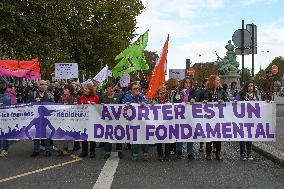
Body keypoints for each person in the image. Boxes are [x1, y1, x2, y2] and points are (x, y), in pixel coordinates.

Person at [122, 81, 150, 161]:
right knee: (135, 136)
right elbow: (122, 104)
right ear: (131, 90)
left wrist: (145, 104)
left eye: (138, 88)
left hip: (143, 121)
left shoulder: (142, 96)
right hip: (133, 121)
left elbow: (149, 104)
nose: (137, 89)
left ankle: (145, 153)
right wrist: (126, 104)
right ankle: (135, 153)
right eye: (135, 88)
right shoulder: (127, 97)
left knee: (144, 136)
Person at [203, 75, 228, 160]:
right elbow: (198, 99)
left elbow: (227, 100)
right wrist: (203, 101)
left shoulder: (221, 91)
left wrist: (223, 101)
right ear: (212, 81)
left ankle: (218, 153)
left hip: (218, 117)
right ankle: (208, 153)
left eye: (219, 80)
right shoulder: (206, 91)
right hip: (208, 117)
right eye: (217, 80)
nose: (219, 82)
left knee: (218, 135)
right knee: (209, 134)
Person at [28, 80, 55, 157]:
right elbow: (29, 105)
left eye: (46, 84)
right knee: (36, 134)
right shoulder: (32, 94)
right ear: (39, 85)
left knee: (46, 134)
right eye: (43, 84)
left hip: (46, 118)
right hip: (36, 117)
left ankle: (47, 150)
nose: (45, 86)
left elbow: (53, 105)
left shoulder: (49, 94)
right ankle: (36, 150)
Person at [176, 77, 199, 160]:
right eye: (186, 82)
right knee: (179, 132)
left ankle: (190, 152)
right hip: (180, 115)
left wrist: (194, 99)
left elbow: (198, 97)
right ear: (183, 83)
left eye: (189, 83)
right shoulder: (178, 91)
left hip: (190, 116)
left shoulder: (193, 91)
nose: (188, 84)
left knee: (190, 132)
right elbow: (175, 101)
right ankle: (178, 151)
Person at [235, 81, 259, 161]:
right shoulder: (241, 94)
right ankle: (242, 153)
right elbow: (236, 99)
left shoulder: (255, 95)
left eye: (252, 86)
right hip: (242, 119)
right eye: (249, 86)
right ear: (246, 87)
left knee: (249, 137)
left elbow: (259, 105)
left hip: (251, 120)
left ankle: (249, 153)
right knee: (242, 137)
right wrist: (235, 101)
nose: (251, 87)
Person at [100, 83, 123, 159]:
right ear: (106, 90)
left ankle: (119, 151)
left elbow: (122, 106)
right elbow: (98, 108)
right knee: (108, 136)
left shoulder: (118, 96)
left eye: (112, 87)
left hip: (117, 120)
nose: (111, 89)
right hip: (107, 120)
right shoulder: (103, 97)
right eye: (109, 88)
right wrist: (100, 106)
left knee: (118, 135)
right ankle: (107, 152)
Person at [78, 83, 99, 158]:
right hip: (84, 119)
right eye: (84, 88)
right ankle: (84, 151)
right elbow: (79, 106)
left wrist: (95, 105)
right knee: (84, 135)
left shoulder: (95, 97)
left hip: (92, 119)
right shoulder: (82, 97)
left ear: (90, 89)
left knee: (92, 135)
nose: (84, 89)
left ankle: (92, 151)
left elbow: (99, 108)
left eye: (86, 88)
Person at [55, 84, 76, 156]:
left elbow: (74, 108)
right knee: (61, 133)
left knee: (70, 132)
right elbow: (57, 106)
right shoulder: (61, 97)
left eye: (66, 89)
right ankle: (60, 149)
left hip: (70, 118)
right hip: (62, 118)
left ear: (70, 91)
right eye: (64, 89)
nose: (64, 90)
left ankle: (70, 148)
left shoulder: (73, 98)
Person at [152, 85, 171, 161]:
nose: (160, 95)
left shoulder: (169, 100)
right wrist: (152, 104)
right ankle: (160, 154)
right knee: (159, 139)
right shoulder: (155, 99)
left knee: (167, 140)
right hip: (158, 122)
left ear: (165, 93)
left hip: (167, 122)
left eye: (162, 94)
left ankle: (167, 155)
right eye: (159, 93)